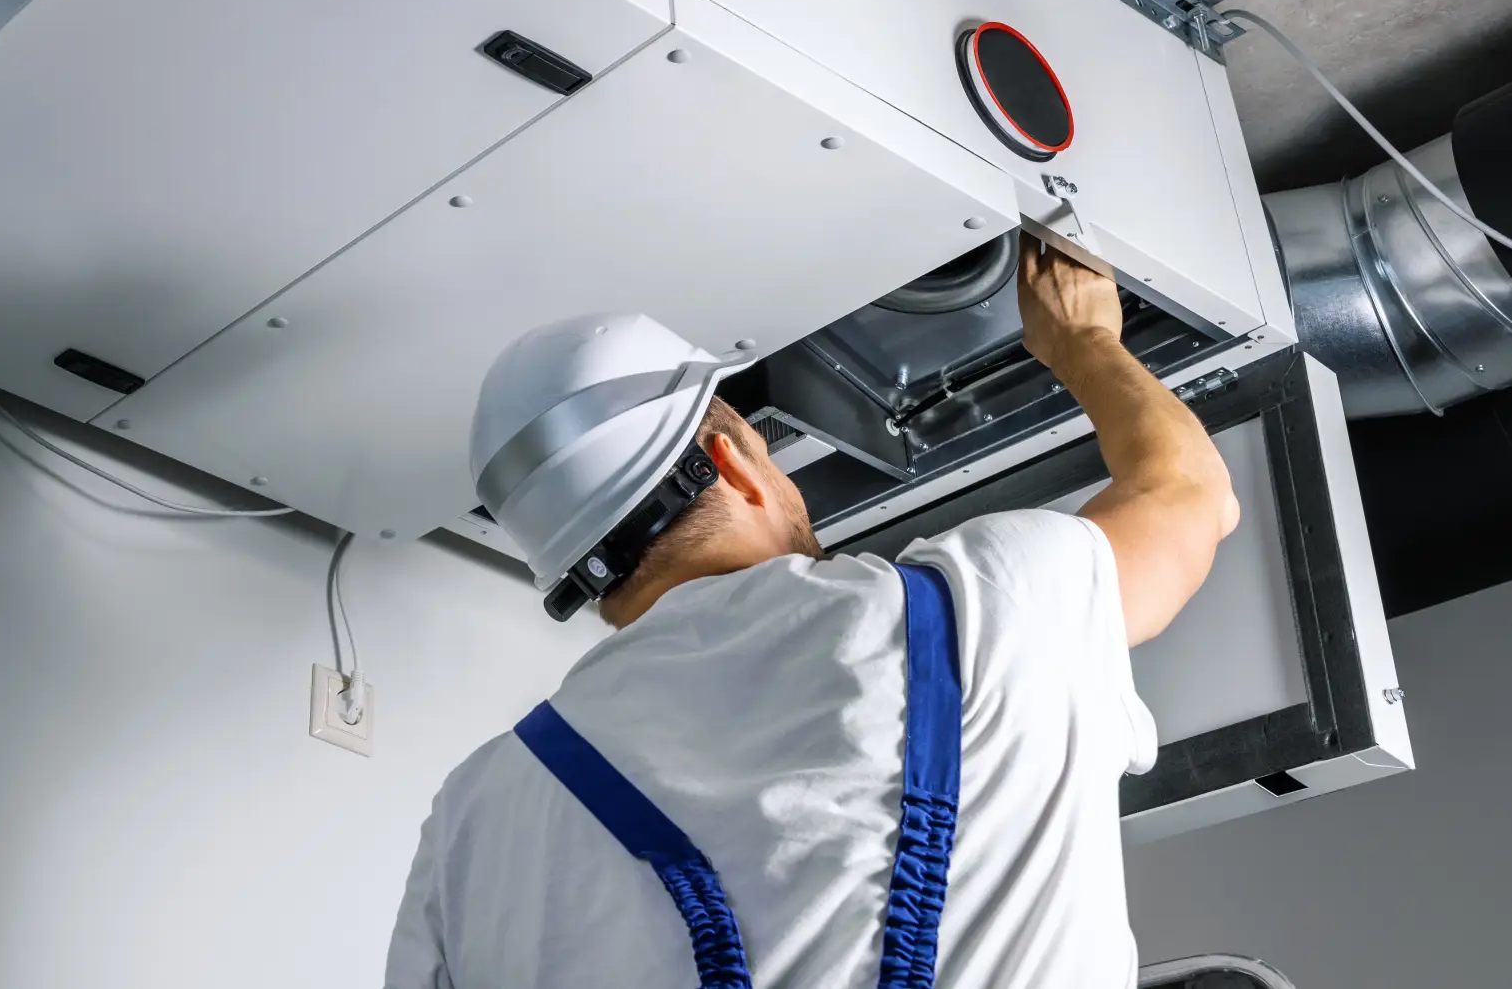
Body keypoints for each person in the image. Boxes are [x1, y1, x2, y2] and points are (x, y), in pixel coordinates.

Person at [385, 243, 1241, 988]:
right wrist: (1082, 337)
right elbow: (1188, 496)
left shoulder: (470, 817)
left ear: (578, 574)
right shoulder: (971, 608)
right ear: (733, 461)